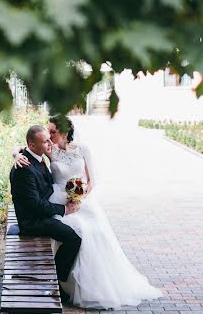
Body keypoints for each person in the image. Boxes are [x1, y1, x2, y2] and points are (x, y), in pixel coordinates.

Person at [13, 113, 164, 309]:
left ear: (65, 132)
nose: (50, 137)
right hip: (58, 198)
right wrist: (16, 153)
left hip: (81, 199)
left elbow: (92, 181)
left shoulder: (82, 148)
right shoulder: (52, 151)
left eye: (53, 132)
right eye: (48, 133)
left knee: (94, 232)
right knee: (75, 230)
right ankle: (66, 284)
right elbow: (26, 146)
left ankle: (95, 282)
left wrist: (79, 198)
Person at [9, 125, 82, 295]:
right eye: (45, 141)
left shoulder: (36, 156)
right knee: (73, 238)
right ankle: (56, 283)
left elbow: (20, 147)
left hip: (43, 210)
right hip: (33, 221)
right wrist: (64, 209)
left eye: (50, 139)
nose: (50, 143)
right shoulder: (24, 168)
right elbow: (34, 204)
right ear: (32, 145)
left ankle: (57, 281)